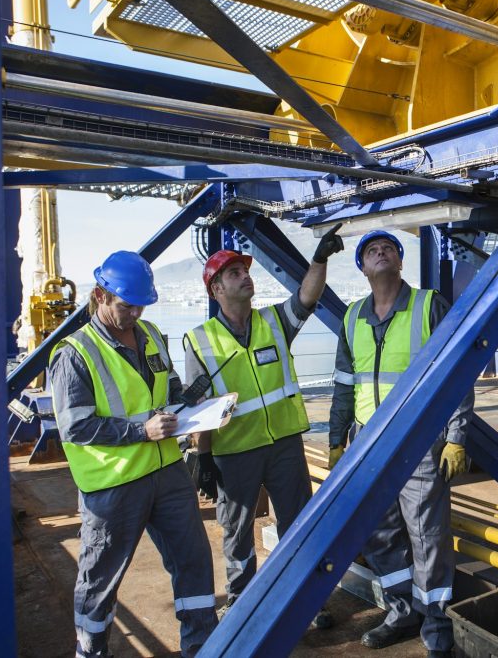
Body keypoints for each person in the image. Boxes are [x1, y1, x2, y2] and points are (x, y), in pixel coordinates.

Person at [48, 251, 217, 658]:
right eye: (127, 306)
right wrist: (142, 431)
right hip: (113, 485)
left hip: (167, 473)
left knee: (193, 559)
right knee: (100, 578)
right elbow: (76, 426)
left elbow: (169, 388)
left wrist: (194, 405)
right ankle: (91, 651)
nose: (135, 313)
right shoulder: (74, 353)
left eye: (141, 305)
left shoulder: (152, 333)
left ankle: (202, 646)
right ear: (100, 296)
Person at [183, 225, 344, 624]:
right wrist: (203, 457)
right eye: (234, 273)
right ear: (216, 289)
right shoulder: (199, 340)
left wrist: (319, 259)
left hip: (285, 444)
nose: (245, 276)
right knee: (236, 534)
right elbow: (198, 407)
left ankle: (307, 600)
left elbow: (308, 296)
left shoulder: (274, 321)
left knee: (298, 526)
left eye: (245, 270)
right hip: (233, 452)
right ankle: (242, 606)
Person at [328, 230, 473, 658]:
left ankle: (436, 627)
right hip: (368, 445)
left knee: (428, 537)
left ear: (399, 261)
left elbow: (458, 372)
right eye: (370, 250)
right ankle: (402, 609)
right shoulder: (352, 317)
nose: (379, 252)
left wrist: (456, 437)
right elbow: (342, 385)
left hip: (419, 444)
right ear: (362, 267)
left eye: (388, 247)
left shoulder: (429, 306)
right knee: (380, 534)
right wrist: (338, 442)